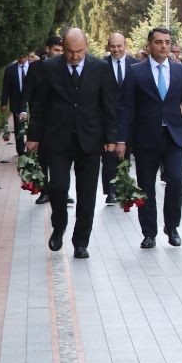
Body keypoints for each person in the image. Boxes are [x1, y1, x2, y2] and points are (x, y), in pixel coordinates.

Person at [25, 28, 117, 259]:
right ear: (62, 48)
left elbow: (109, 105)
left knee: (87, 193)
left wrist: (111, 138)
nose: (75, 57)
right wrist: (33, 136)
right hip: (57, 139)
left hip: (90, 139)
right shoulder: (49, 68)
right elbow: (40, 104)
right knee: (57, 186)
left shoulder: (101, 68)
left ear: (87, 47)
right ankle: (59, 226)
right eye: (69, 51)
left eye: (79, 51)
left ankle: (81, 241)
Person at [116, 27, 182, 249]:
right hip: (145, 138)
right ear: (149, 45)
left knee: (176, 180)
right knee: (146, 186)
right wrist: (121, 139)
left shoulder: (181, 71)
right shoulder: (136, 71)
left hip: (173, 137)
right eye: (159, 42)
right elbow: (125, 107)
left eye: (167, 42)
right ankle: (149, 232)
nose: (164, 46)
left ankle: (172, 227)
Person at [23, 34, 64, 205]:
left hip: (62, 121)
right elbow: (29, 93)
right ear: (48, 49)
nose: (59, 53)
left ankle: (61, 191)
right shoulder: (36, 68)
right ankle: (45, 190)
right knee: (44, 158)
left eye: (62, 50)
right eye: (56, 50)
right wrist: (24, 111)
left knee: (62, 160)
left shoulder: (67, 67)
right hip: (43, 121)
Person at [100, 33, 140, 203]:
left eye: (119, 46)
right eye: (113, 46)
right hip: (107, 118)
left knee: (125, 154)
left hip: (130, 119)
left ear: (125, 45)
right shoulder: (101, 66)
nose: (116, 50)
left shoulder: (136, 65)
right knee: (109, 156)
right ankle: (111, 191)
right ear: (108, 47)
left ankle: (123, 186)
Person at [0, 53, 33, 155]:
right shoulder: (10, 69)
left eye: (24, 56)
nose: (22, 58)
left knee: (31, 127)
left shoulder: (34, 68)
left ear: (28, 56)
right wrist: (4, 103)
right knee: (19, 128)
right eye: (20, 56)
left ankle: (31, 149)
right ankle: (21, 151)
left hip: (31, 103)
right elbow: (6, 88)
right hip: (17, 103)